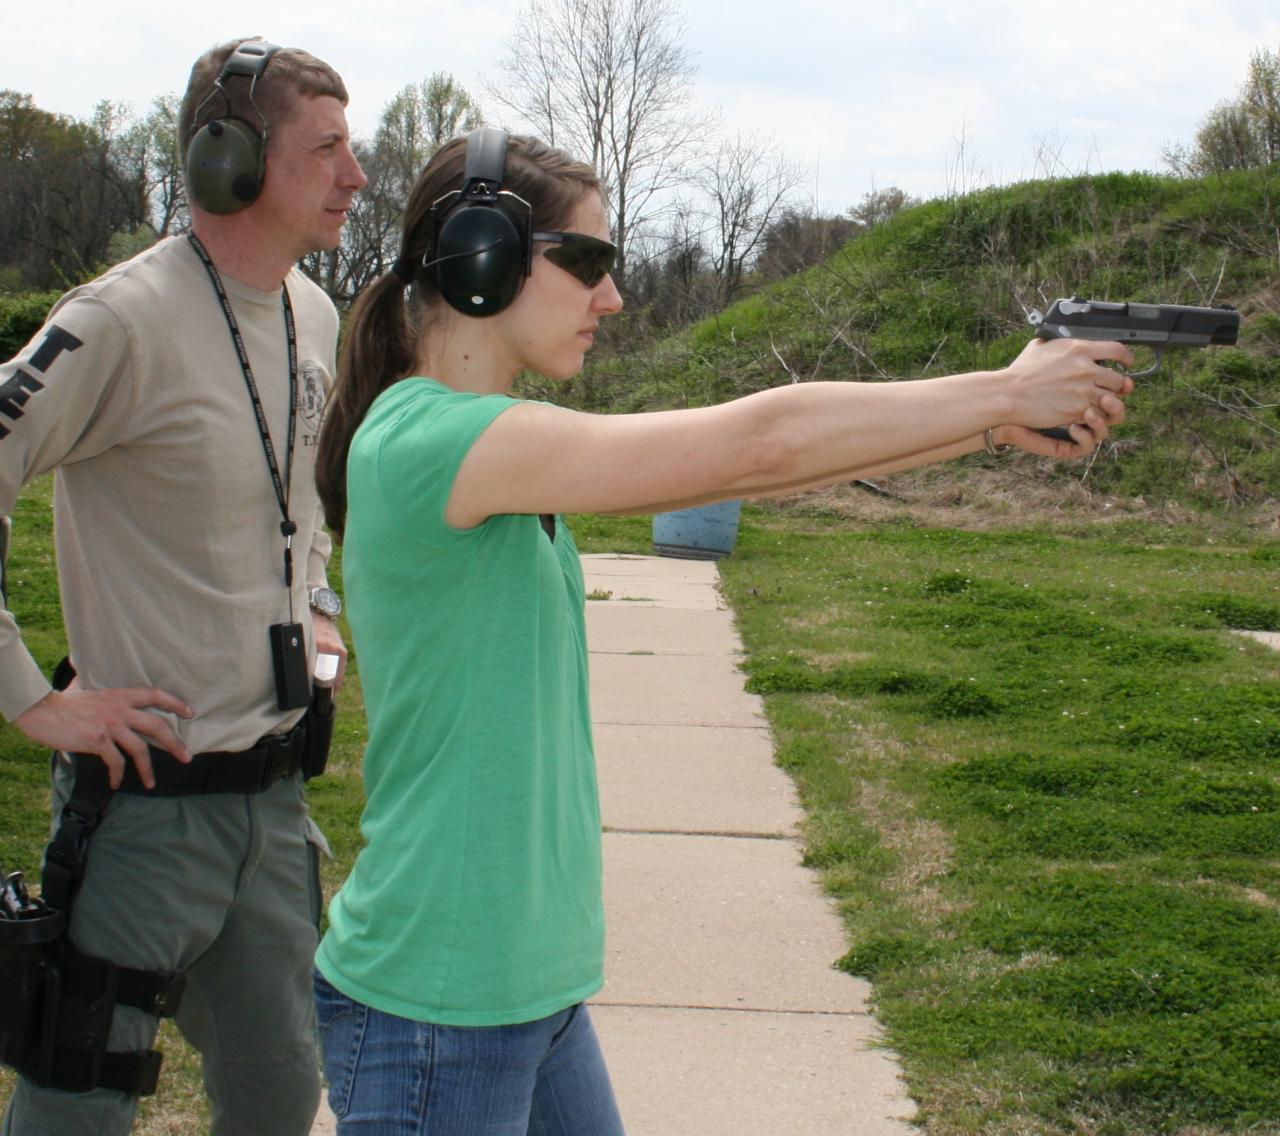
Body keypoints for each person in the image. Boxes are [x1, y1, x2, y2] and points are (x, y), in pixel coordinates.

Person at [311, 126, 1133, 1135]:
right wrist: (1004, 390)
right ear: (483, 257)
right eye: (590, 263)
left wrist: (981, 425)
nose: (610, 297)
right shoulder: (430, 439)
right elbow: (755, 443)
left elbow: (773, 466)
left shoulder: (481, 441)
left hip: (525, 987)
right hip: (438, 1006)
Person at [0, 36, 365, 1136]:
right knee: (79, 1100)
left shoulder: (313, 314)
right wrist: (28, 694)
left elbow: (298, 519)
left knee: (277, 1090)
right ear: (229, 164)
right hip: (145, 810)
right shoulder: (117, 319)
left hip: (272, 802)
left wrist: (323, 621)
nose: (355, 177)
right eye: (328, 150)